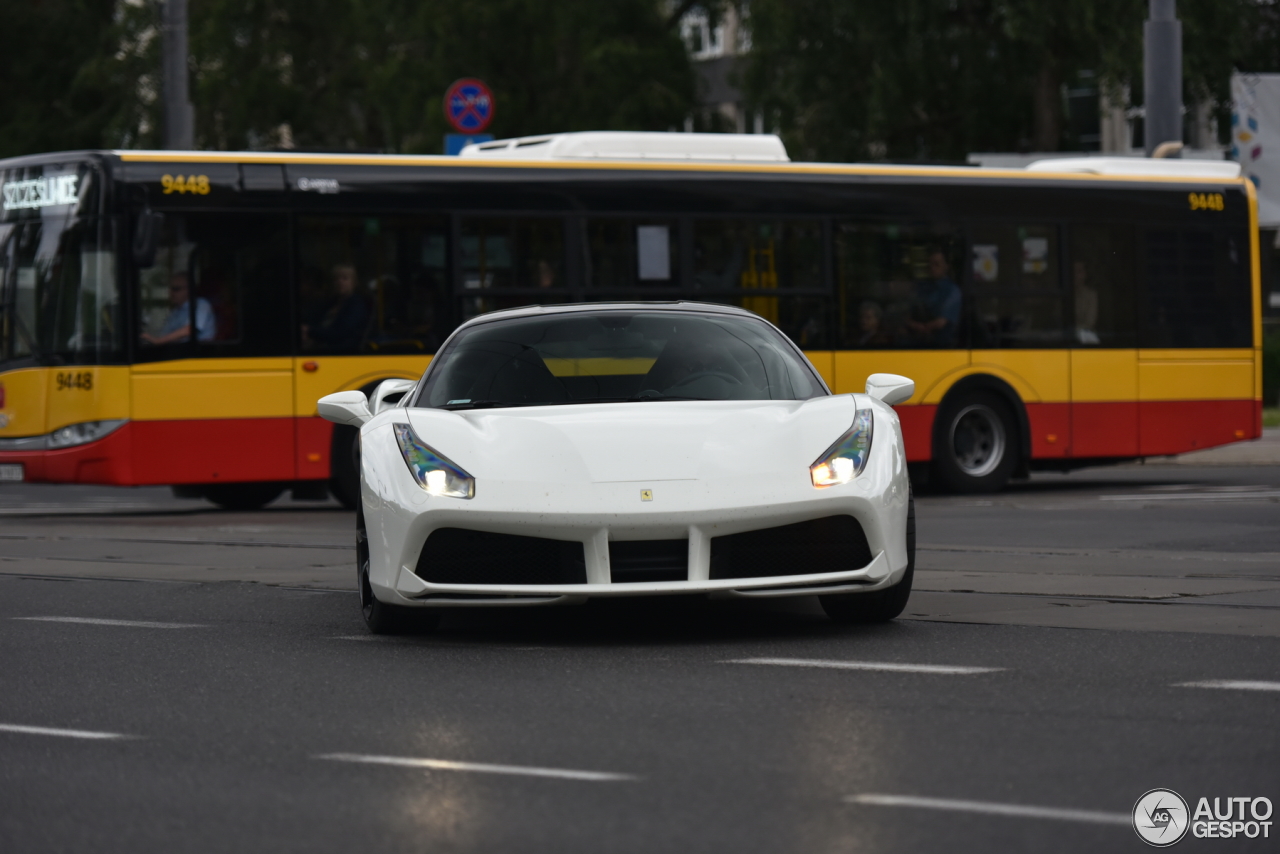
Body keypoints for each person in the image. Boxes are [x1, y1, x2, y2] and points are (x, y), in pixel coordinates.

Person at [303, 263, 370, 352]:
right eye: (336, 279)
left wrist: (310, 331)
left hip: (341, 349)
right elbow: (315, 319)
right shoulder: (332, 302)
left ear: (354, 283)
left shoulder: (356, 305)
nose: (340, 282)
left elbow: (340, 333)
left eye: (345, 278)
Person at [141, 272, 216, 345]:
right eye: (170, 289)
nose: (171, 293)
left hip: (197, 353)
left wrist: (158, 341)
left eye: (176, 289)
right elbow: (165, 334)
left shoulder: (200, 304)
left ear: (189, 289)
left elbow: (189, 329)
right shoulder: (175, 311)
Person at [906, 249, 961, 347]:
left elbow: (941, 322)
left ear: (946, 266)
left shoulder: (952, 290)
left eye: (937, 264)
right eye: (930, 264)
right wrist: (914, 325)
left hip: (942, 346)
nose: (932, 268)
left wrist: (924, 328)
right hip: (917, 343)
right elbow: (908, 312)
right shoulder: (921, 287)